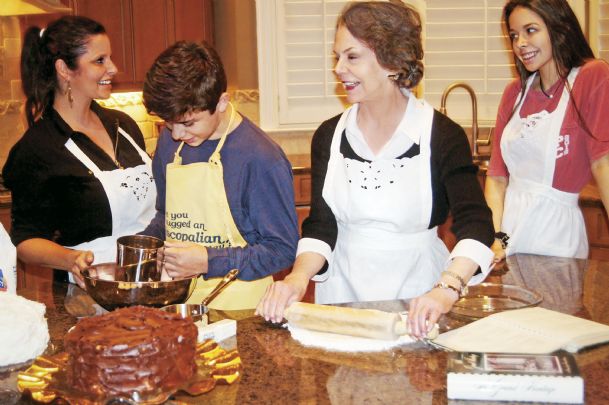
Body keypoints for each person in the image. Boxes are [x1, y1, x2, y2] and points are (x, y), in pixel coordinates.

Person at [256, 1, 494, 338]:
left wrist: (448, 288)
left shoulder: (441, 135)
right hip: (342, 299)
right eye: (337, 57)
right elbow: (322, 226)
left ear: (393, 61)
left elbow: (476, 224)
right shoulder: (330, 135)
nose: (339, 69)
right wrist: (297, 277)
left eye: (352, 57)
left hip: (420, 298)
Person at [141, 41, 299, 310]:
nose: (176, 134)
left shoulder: (261, 158)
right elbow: (166, 215)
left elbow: (281, 250)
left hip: (241, 310)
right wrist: (143, 249)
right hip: (176, 303)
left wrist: (208, 261)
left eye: (188, 123)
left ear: (222, 102)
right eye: (168, 122)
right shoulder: (170, 143)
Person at [2, 16, 156, 287]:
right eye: (100, 60)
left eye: (110, 58)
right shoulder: (38, 149)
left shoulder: (124, 126)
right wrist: (70, 259)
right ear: (64, 69)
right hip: (90, 293)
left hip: (152, 279)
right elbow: (25, 241)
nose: (113, 68)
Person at [485, 0, 609, 261]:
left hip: (557, 238)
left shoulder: (591, 77)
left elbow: (603, 163)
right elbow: (497, 178)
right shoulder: (514, 93)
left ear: (558, 28)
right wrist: (498, 239)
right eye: (514, 35)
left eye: (530, 30)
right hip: (509, 235)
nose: (520, 43)